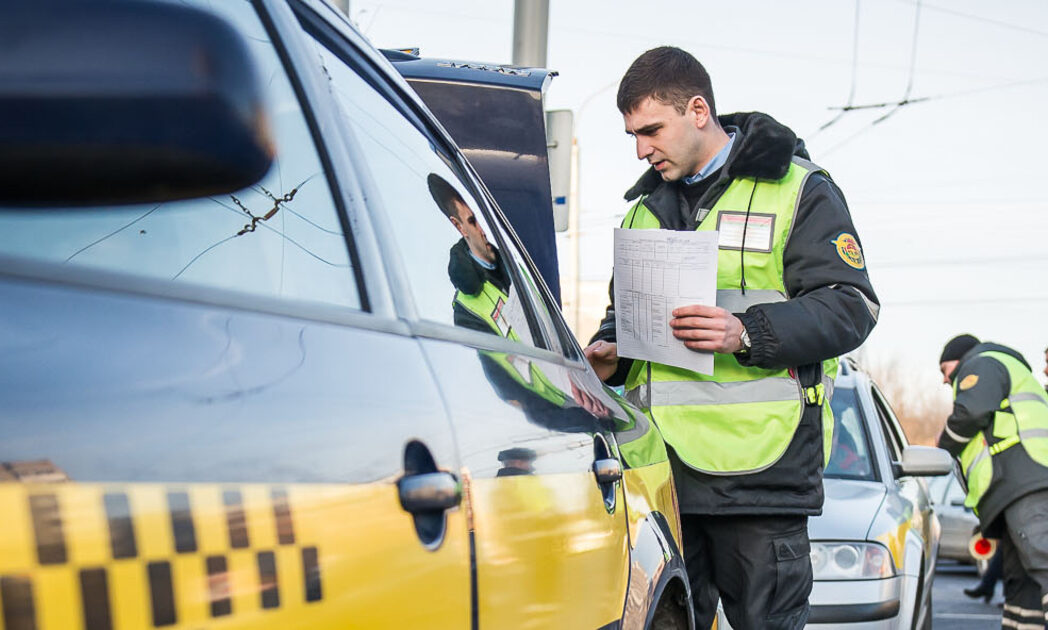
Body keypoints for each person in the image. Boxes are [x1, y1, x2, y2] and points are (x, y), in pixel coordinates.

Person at [583, 46, 879, 630]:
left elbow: (852, 305)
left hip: (760, 476)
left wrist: (747, 332)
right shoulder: (644, 211)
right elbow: (626, 317)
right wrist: (611, 352)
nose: (640, 150)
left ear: (698, 111)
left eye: (650, 130)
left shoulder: (799, 189)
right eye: (632, 136)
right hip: (663, 478)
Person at [937, 334, 1048, 629]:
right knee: (1021, 582)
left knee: (1043, 561)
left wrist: (943, 444)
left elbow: (971, 413)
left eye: (944, 370)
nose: (945, 380)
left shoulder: (982, 363)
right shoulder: (1004, 369)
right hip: (1021, 484)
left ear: (959, 359)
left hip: (1027, 483)